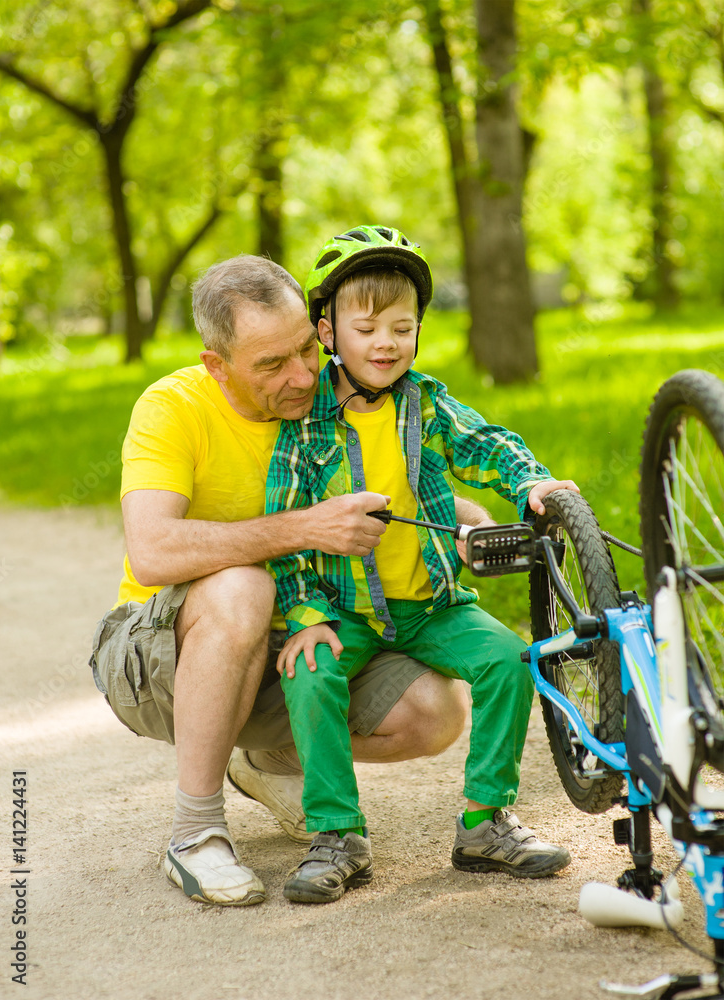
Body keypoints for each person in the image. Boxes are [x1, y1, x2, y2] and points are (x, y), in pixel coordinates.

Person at [89, 253, 490, 908]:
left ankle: (268, 758)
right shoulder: (173, 406)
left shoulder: (339, 397)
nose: (302, 375)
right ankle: (194, 833)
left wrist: (472, 527)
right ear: (217, 366)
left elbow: (403, 491)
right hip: (156, 658)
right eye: (271, 365)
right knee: (246, 586)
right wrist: (303, 528)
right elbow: (154, 550)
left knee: (433, 713)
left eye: (306, 347)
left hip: (285, 653)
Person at [266, 225, 579, 904]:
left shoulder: (425, 403)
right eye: (367, 326)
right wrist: (306, 614)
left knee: (505, 659)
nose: (386, 343)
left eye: (402, 328)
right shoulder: (304, 425)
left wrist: (530, 482)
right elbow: (286, 531)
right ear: (326, 332)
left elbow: (485, 444)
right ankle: (336, 834)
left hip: (431, 605)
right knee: (310, 671)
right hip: (345, 607)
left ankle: (483, 821)